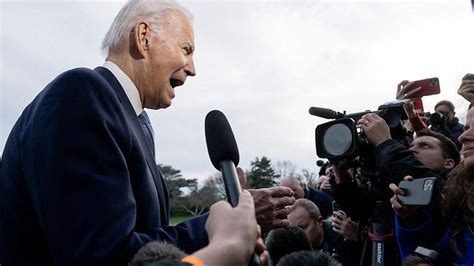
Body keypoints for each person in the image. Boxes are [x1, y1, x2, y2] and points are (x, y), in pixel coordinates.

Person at [0, 1, 293, 265]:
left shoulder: (135, 121)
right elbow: (104, 254)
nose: (193, 69)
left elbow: (146, 237)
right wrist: (219, 228)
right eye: (186, 50)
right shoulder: (81, 94)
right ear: (143, 38)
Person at [389, 106, 474, 264]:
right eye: (467, 127)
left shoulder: (445, 194)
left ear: (449, 163)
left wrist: (384, 144)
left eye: (425, 146)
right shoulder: (461, 200)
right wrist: (412, 221)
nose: (463, 136)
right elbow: (437, 256)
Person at [287, 199, 360, 265]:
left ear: (319, 221)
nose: (297, 235)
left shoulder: (344, 240)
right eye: (292, 230)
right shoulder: (291, 249)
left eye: (302, 228)